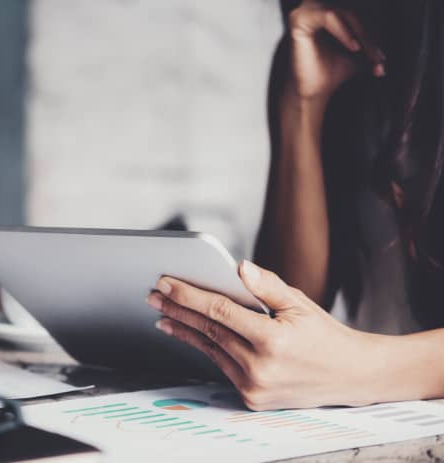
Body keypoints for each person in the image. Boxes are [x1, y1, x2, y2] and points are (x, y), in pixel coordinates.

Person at [146, 0, 444, 410]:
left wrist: (357, 369)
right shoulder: (324, 52)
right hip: (374, 422)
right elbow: (290, 304)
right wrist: (302, 105)